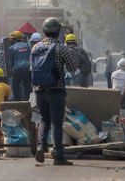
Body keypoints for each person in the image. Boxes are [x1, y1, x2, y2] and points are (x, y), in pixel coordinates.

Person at [31, 17, 77, 166]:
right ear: (58, 32)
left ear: (44, 31)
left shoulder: (35, 47)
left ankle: (40, 146)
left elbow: (32, 69)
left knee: (44, 120)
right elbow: (72, 67)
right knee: (57, 123)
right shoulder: (61, 48)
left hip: (39, 90)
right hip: (56, 90)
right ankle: (58, 156)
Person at [8, 30, 31, 101]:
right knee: (27, 87)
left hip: (17, 70)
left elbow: (11, 61)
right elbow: (29, 56)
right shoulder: (27, 45)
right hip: (27, 69)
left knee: (15, 88)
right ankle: (26, 101)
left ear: (14, 39)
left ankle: (18, 102)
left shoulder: (11, 48)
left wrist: (12, 69)